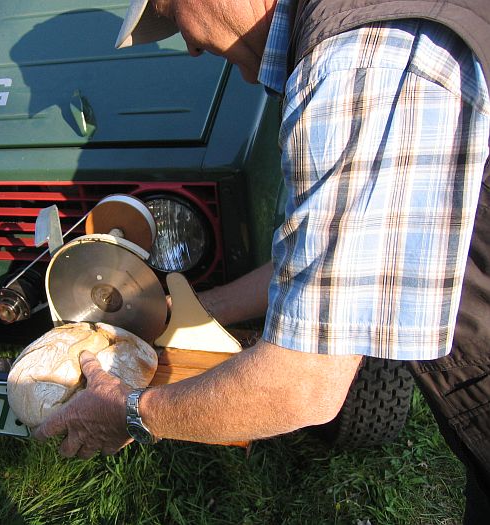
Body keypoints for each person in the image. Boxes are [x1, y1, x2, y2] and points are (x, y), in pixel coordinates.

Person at [31, 0, 490, 521]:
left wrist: (132, 415)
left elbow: (303, 385)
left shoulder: (360, 60)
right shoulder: (376, 32)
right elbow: (336, 263)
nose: (191, 45)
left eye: (173, 16)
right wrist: (188, 306)